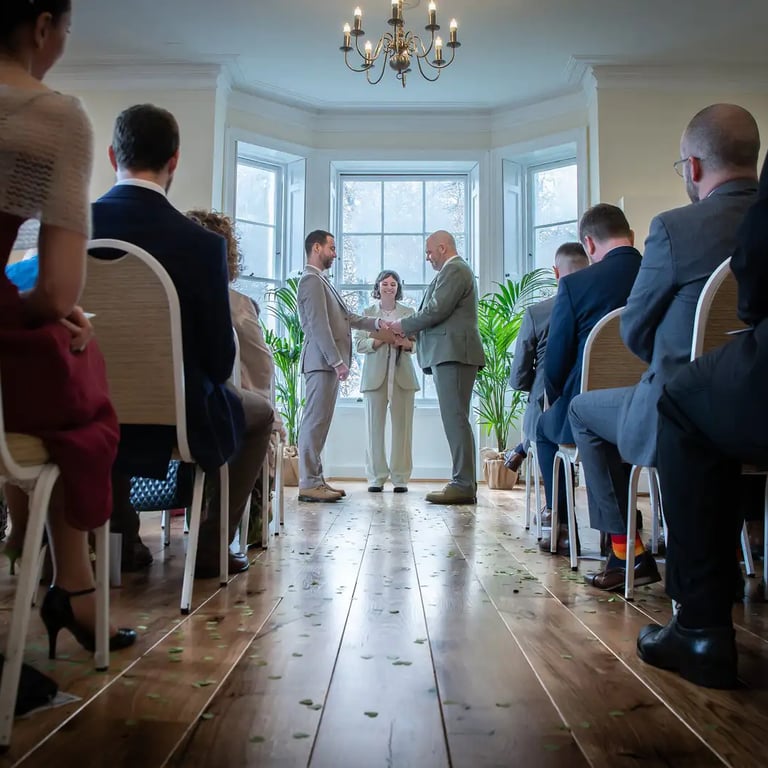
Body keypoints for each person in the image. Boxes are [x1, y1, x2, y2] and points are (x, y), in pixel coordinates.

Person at [569, 104, 760, 592]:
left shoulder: (677, 228)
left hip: (682, 409)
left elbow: (632, 330)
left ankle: (624, 553)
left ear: (692, 168)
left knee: (582, 410)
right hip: (759, 405)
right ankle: (750, 547)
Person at [0, 0, 135, 655]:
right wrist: (51, 310)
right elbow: (56, 288)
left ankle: (59, 578)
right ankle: (72, 587)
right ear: (44, 26)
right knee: (78, 373)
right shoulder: (54, 115)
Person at [92, 105, 274, 577]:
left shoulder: (71, 230)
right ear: (174, 161)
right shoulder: (199, 245)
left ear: (113, 154)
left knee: (107, 399)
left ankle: (120, 539)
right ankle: (213, 548)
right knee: (258, 414)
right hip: (180, 417)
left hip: (90, 413)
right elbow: (218, 361)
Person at [637, 154, 768, 689]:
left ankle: (699, 625)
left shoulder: (673, 228)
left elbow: (755, 283)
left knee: (682, 400)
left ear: (691, 166)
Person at [537, 205, 641, 555]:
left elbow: (554, 365)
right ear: (631, 235)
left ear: (589, 245)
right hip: (652, 407)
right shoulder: (658, 275)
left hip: (591, 410)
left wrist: (555, 397)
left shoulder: (576, 286)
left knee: (543, 427)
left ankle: (563, 527)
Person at [185, 209, 287, 534]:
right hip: (211, 410)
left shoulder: (159, 295)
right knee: (259, 414)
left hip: (156, 410)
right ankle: (226, 532)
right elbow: (261, 366)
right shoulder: (238, 306)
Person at [390, 231, 485, 505]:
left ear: (442, 248)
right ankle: (462, 480)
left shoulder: (455, 269)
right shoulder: (453, 270)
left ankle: (464, 483)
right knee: (455, 418)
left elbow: (436, 310)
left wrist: (402, 325)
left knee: (455, 419)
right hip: (449, 354)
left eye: (430, 252)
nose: (428, 257)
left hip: (453, 354)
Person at [297, 230, 381, 502]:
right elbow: (319, 326)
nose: (335, 253)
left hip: (326, 364)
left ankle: (316, 480)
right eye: (332, 248)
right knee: (314, 422)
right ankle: (309, 483)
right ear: (317, 247)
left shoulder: (322, 281)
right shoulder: (310, 281)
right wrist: (336, 361)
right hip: (321, 363)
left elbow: (346, 319)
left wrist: (378, 324)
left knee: (320, 424)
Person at [505, 242, 589, 473]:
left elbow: (519, 377)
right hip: (591, 404)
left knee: (539, 406)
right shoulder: (600, 309)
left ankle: (553, 503)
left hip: (548, 406)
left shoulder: (538, 313)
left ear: (556, 272)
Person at [353, 269, 420, 493]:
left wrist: (406, 344)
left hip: (403, 378)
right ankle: (376, 477)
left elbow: (420, 343)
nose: (389, 287)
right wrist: (379, 340)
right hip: (374, 379)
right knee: (374, 429)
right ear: (378, 287)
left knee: (403, 430)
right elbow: (359, 344)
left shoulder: (409, 312)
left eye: (393, 284)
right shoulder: (368, 312)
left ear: (398, 288)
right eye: (385, 283)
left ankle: (400, 478)